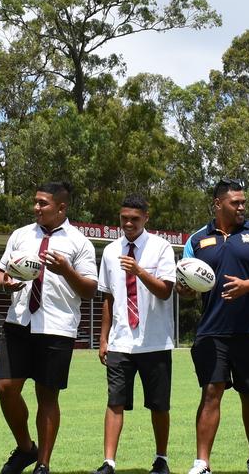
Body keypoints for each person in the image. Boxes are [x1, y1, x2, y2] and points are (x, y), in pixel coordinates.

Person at [176, 179, 249, 474]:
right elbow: (184, 281)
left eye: (243, 202)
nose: (241, 207)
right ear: (218, 204)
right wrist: (185, 290)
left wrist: (248, 286)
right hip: (212, 331)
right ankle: (202, 462)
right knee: (211, 391)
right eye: (235, 202)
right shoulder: (197, 240)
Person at [0, 182, 98, 474]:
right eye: (36, 202)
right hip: (19, 321)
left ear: (61, 207)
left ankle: (43, 464)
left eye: (43, 204)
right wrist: (6, 282)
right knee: (6, 389)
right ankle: (27, 448)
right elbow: (0, 272)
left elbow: (90, 289)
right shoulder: (21, 235)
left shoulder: (80, 243)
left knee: (47, 395)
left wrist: (66, 270)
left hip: (56, 326)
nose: (36, 208)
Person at [93, 194, 178, 474]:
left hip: (154, 341)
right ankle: (109, 462)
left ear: (146, 218)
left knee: (158, 405)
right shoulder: (109, 251)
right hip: (120, 342)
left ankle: (161, 459)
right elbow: (107, 298)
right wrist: (103, 338)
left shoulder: (161, 248)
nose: (128, 224)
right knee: (114, 402)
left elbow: (165, 291)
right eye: (124, 218)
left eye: (134, 219)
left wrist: (139, 270)